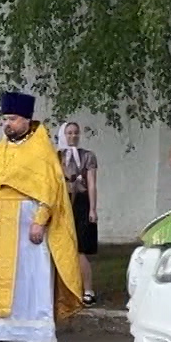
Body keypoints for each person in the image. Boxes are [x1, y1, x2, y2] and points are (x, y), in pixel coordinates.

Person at [0, 92, 82, 342]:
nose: (7, 124)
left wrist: (40, 221)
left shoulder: (40, 150)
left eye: (13, 119)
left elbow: (50, 191)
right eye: (4, 119)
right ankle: (3, 336)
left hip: (26, 226)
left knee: (28, 282)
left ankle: (33, 339)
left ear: (27, 120)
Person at [57, 121, 100, 305]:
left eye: (76, 133)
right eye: (69, 133)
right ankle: (65, 290)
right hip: (62, 202)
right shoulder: (57, 156)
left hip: (81, 202)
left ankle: (88, 289)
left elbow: (91, 184)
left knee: (80, 248)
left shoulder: (87, 156)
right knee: (61, 245)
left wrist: (92, 208)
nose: (73, 136)